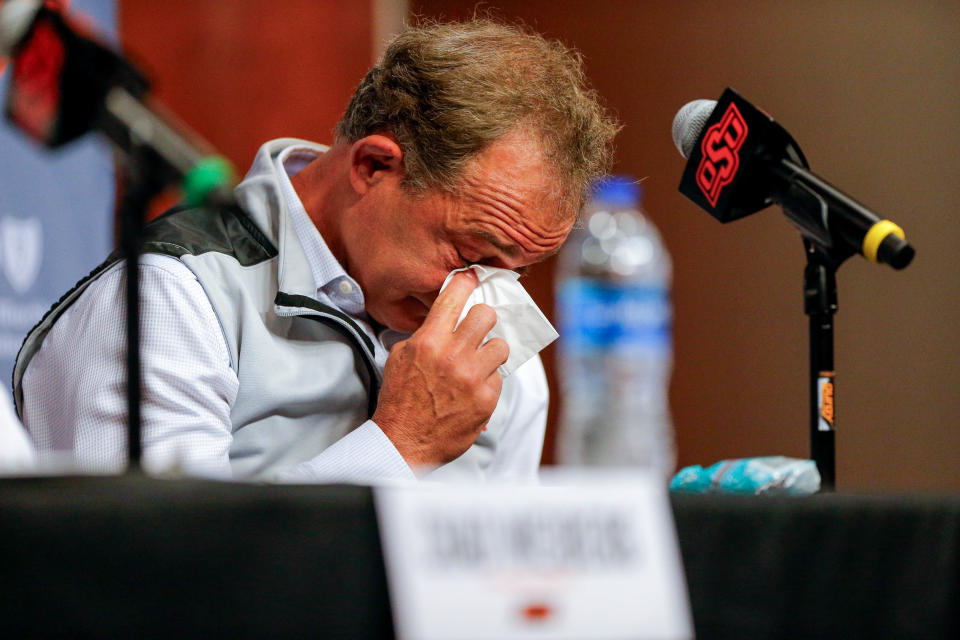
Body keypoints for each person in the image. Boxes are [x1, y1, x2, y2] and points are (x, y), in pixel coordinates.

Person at [13, 20, 618, 482]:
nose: (484, 296)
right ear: (373, 166)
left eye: (514, 270)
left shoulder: (492, 351)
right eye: (469, 252)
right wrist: (400, 445)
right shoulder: (170, 299)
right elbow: (162, 584)